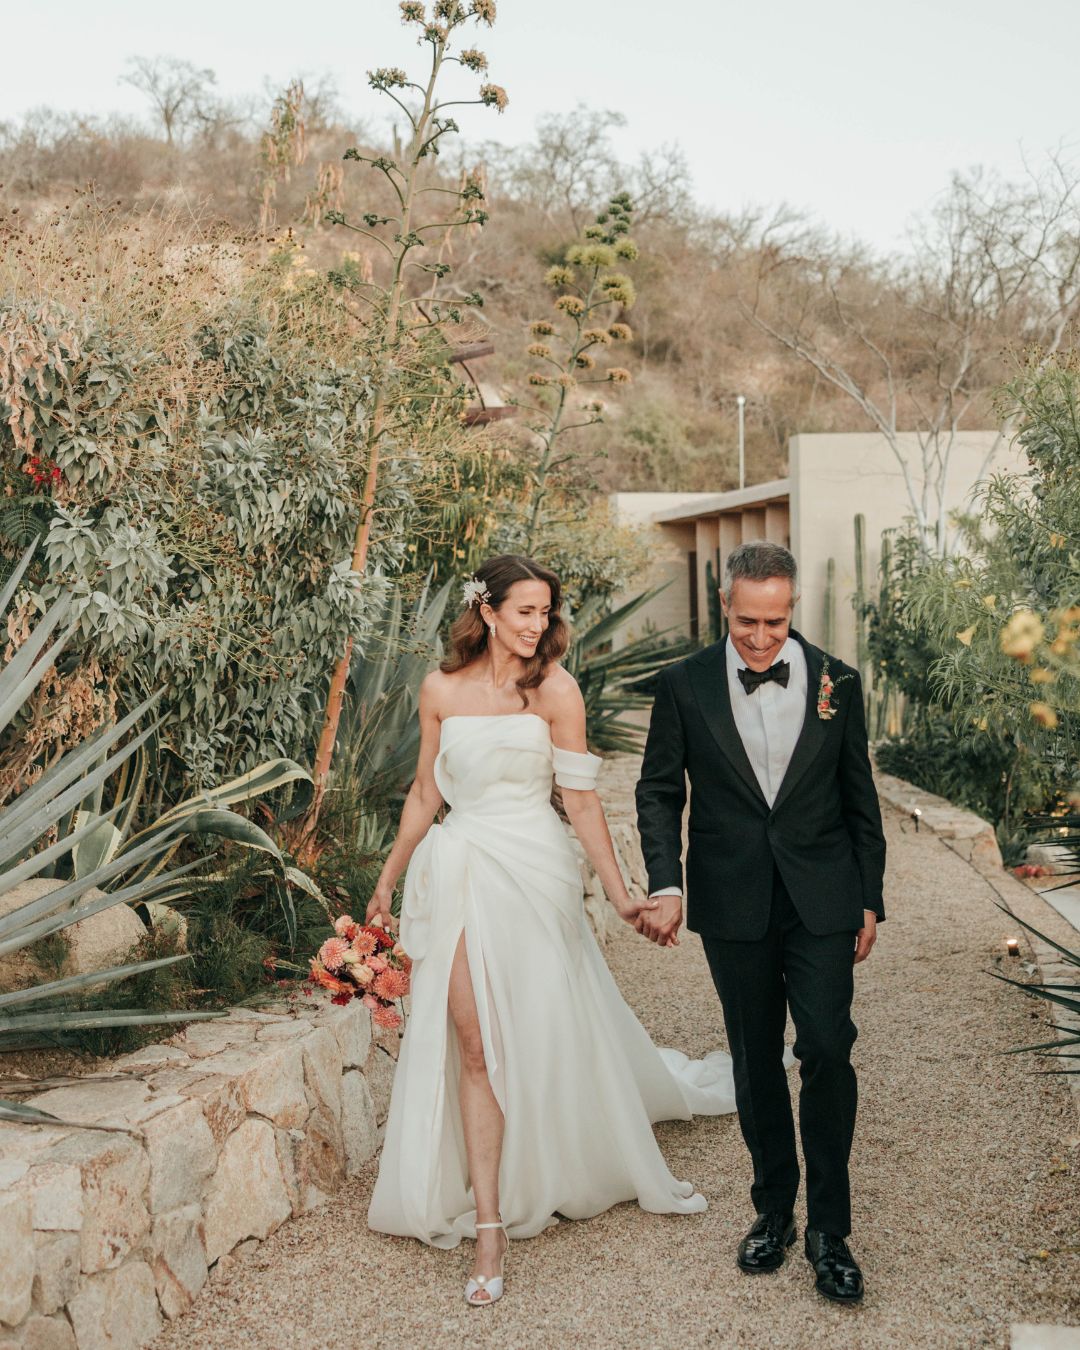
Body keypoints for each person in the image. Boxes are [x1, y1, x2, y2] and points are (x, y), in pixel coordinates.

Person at [366, 554, 736, 1307]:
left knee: (537, 1027)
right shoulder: (439, 689)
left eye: (546, 612)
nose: (538, 625)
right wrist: (387, 878)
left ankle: (561, 1154)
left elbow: (583, 801)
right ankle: (491, 1228)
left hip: (535, 872)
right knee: (474, 1043)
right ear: (489, 611)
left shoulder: (558, 691)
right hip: (461, 867)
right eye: (524, 611)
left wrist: (621, 892)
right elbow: (424, 789)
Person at [636, 540, 886, 1306]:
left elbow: (858, 796)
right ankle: (774, 1211)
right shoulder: (682, 685)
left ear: (792, 608)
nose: (760, 638)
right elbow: (657, 791)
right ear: (725, 604)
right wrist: (667, 883)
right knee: (753, 1057)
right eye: (748, 622)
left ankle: (830, 1233)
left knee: (825, 1048)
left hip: (823, 897)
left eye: (775, 623)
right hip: (731, 897)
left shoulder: (839, 681)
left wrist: (870, 895)